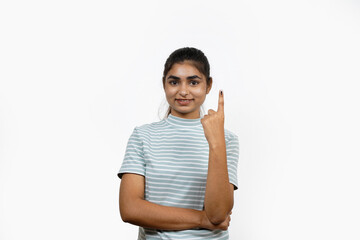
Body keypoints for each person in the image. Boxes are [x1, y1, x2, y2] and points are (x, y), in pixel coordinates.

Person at [117, 47, 239, 239]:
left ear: (208, 85)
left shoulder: (226, 140)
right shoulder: (142, 136)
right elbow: (130, 209)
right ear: (164, 84)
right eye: (174, 82)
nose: (183, 91)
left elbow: (217, 214)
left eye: (193, 82)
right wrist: (201, 219)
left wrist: (216, 143)